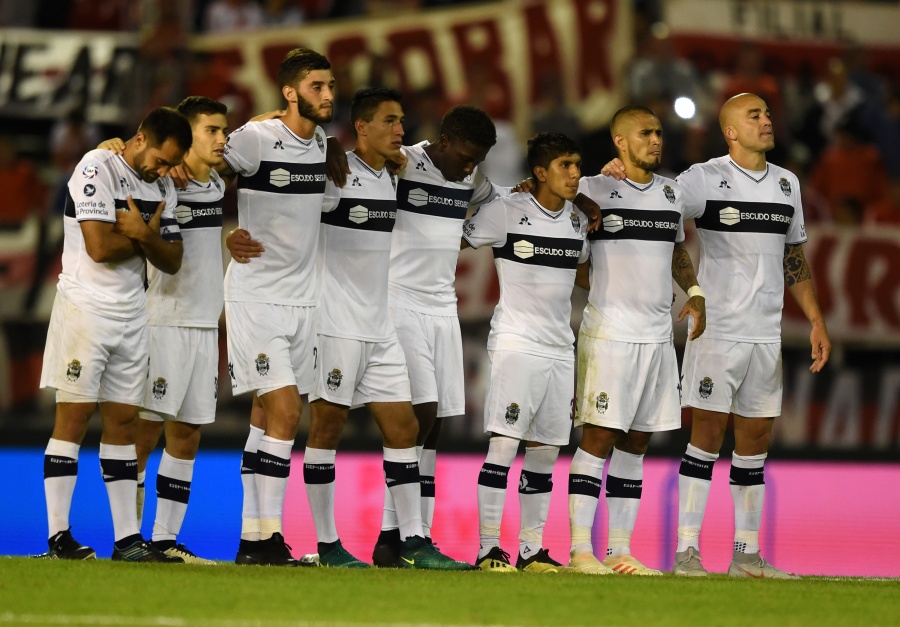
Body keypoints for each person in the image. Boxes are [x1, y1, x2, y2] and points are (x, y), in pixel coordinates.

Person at [229, 88, 470, 570]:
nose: (401, 130)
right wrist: (234, 234)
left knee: (405, 428)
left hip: (379, 325)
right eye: (390, 120)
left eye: (402, 121)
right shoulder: (332, 174)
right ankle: (327, 544)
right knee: (326, 429)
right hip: (332, 324)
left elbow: (465, 177)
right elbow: (281, 209)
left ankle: (412, 543)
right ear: (361, 127)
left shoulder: (396, 176)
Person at [605, 92, 831, 578]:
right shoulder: (704, 179)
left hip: (766, 333)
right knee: (706, 435)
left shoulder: (787, 185)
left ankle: (746, 557)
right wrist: (618, 171)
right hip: (717, 331)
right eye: (756, 115)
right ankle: (687, 552)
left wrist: (815, 318)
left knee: (756, 438)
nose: (767, 121)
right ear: (731, 131)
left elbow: (795, 257)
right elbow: (654, 200)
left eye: (769, 113)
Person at [39, 107, 191, 562]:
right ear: (141, 139)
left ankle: (126, 540)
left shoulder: (163, 186)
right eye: (161, 160)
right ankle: (58, 537)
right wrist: (148, 237)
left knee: (124, 422)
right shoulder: (96, 166)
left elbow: (172, 260)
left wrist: (143, 233)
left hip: (132, 314)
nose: (163, 172)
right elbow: (100, 247)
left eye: (170, 164)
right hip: (85, 311)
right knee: (74, 417)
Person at [567, 106, 705, 576]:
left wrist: (695, 291)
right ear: (620, 141)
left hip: (657, 336)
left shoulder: (671, 193)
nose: (656, 140)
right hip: (610, 334)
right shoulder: (590, 188)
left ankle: (620, 550)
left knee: (637, 442)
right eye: (645, 133)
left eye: (659, 133)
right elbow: (555, 226)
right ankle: (581, 550)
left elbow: (677, 248)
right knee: (599, 437)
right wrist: (607, 283)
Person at [99, 96, 231, 564]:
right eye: (211, 131)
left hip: (202, 322)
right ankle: (128, 540)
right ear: (182, 138)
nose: (221, 139)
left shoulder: (216, 181)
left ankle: (163, 540)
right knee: (144, 431)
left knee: (188, 434)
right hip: (162, 318)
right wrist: (111, 143)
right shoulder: (159, 182)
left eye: (223, 130)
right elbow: (116, 164)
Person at [223, 48, 334, 566]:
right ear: (289, 92)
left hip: (303, 299)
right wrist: (223, 234)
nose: (328, 95)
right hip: (256, 294)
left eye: (330, 86)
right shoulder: (254, 138)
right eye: (317, 86)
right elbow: (194, 167)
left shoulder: (323, 145)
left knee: (267, 415)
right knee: (288, 412)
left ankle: (253, 538)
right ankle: (268, 539)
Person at [464, 133, 589, 573]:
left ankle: (531, 550)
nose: (575, 174)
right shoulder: (506, 211)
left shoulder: (576, 221)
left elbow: (585, 269)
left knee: (545, 453)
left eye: (577, 165)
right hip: (516, 342)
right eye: (566, 166)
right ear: (540, 172)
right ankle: (487, 549)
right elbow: (456, 239)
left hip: (560, 348)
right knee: (504, 445)